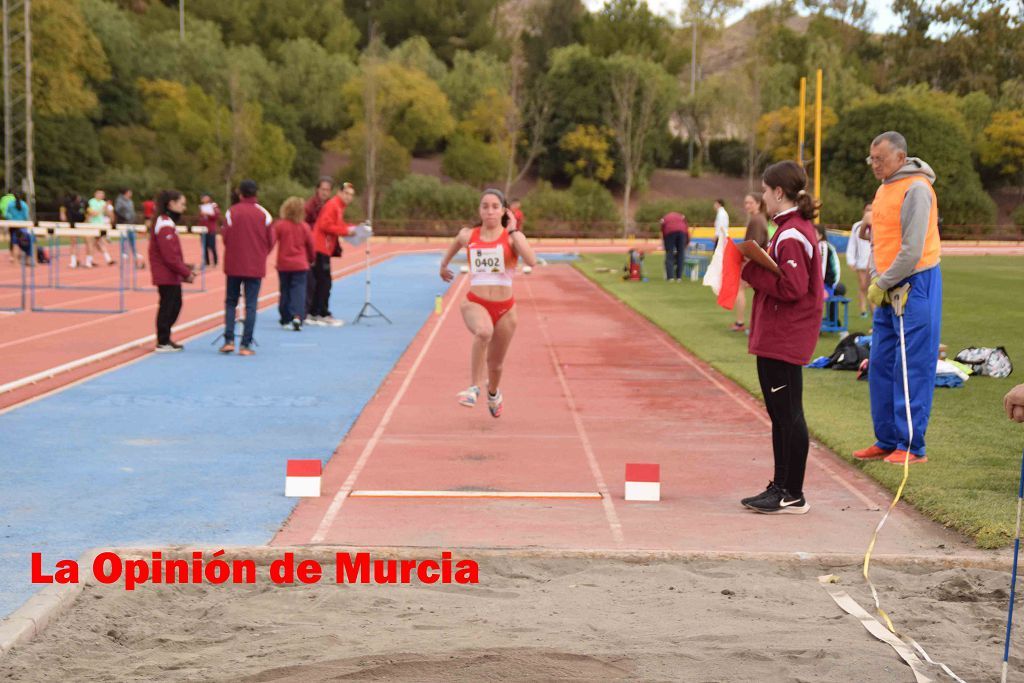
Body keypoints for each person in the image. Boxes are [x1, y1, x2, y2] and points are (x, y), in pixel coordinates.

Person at [738, 161, 823, 515]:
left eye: (764, 189)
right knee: (781, 413)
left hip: (785, 335)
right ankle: (782, 485)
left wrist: (753, 273)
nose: (762, 197)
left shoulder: (792, 234)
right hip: (780, 333)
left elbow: (793, 287)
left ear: (777, 192)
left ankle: (792, 492)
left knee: (788, 414)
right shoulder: (790, 229)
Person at [853, 131, 942, 466]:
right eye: (871, 159)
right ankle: (887, 438)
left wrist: (882, 282)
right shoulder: (884, 187)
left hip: (916, 283)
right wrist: (878, 278)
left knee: (912, 366)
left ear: (901, 158)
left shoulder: (917, 189)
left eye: (880, 159)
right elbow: (881, 239)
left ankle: (912, 445)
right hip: (888, 285)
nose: (874, 165)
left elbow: (912, 249)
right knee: (882, 365)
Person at [438, 188, 538, 418]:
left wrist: (513, 230)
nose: (490, 211)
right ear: (479, 210)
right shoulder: (468, 235)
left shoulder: (513, 238)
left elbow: (531, 261)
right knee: (483, 332)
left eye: (495, 206)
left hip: (505, 309)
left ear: (503, 211)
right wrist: (443, 266)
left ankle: (493, 393)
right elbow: (454, 246)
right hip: (476, 302)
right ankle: (473, 387)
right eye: (485, 206)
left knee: (496, 365)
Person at [219, 179, 274, 356]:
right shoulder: (264, 214)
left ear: (240, 193)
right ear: (256, 193)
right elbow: (271, 241)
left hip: (234, 265)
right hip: (255, 266)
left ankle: (228, 340)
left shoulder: (231, 212)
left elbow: (225, 236)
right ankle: (245, 344)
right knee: (251, 305)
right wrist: (259, 255)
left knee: (231, 302)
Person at [148, 190, 196, 352]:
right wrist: (185, 272)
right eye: (182, 204)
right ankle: (163, 340)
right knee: (169, 306)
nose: (184, 207)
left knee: (174, 304)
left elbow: (172, 254)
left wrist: (185, 267)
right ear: (171, 204)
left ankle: (165, 337)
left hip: (170, 273)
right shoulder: (165, 224)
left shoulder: (167, 222)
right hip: (165, 274)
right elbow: (169, 255)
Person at [309, 181, 356, 327]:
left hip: (324, 248)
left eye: (351, 195)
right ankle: (319, 313)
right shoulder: (333, 205)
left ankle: (316, 312)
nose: (348, 197)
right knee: (324, 282)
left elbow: (337, 225)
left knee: (322, 281)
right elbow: (325, 225)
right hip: (320, 247)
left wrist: (353, 228)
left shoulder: (338, 207)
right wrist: (346, 231)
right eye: (346, 194)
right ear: (340, 193)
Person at [273, 196, 315, 331]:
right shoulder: (304, 227)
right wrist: (311, 258)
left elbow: (272, 241)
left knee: (284, 290)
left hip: (284, 264)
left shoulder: (280, 225)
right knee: (299, 291)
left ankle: (285, 317)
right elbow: (311, 246)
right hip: (300, 264)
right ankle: (298, 315)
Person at [731, 194, 770, 332]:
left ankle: (742, 322)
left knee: (742, 289)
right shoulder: (759, 218)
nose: (747, 205)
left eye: (750, 203)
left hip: (755, 263)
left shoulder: (757, 220)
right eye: (745, 203)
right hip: (758, 263)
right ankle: (752, 324)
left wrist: (745, 263)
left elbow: (754, 245)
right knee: (757, 293)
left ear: (758, 203)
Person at [304, 177, 333, 318]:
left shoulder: (330, 206)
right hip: (314, 248)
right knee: (317, 280)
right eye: (323, 189)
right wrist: (317, 229)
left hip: (325, 247)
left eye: (328, 190)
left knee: (325, 281)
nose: (325, 192)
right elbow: (303, 224)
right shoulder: (310, 205)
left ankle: (322, 309)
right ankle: (314, 310)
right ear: (317, 189)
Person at [846, 204, 873, 317]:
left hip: (873, 260)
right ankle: (863, 309)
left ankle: (873, 310)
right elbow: (852, 243)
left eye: (871, 210)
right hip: (861, 261)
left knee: (872, 287)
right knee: (863, 285)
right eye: (867, 210)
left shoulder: (877, 224)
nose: (869, 212)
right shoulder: (857, 226)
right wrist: (851, 259)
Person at [114, 188, 145, 269]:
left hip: (131, 223)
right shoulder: (120, 201)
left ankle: (135, 257)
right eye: (130, 192)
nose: (131, 194)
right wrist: (125, 216)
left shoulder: (130, 201)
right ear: (126, 193)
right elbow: (118, 210)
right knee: (123, 240)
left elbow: (132, 211)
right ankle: (124, 257)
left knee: (132, 239)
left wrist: (134, 219)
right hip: (123, 223)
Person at [86, 189, 115, 266]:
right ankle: (89, 261)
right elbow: (93, 213)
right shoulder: (91, 202)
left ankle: (107, 259)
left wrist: (108, 209)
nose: (101, 196)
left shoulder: (103, 203)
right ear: (95, 194)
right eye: (100, 194)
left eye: (102, 195)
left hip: (101, 225)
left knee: (100, 242)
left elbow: (108, 214)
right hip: (92, 224)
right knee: (92, 243)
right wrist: (103, 208)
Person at [659, 211, 689, 281]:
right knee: (681, 254)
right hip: (682, 233)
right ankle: (679, 277)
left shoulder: (665, 218)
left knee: (669, 254)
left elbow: (663, 230)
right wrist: (687, 242)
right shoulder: (681, 217)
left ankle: (670, 277)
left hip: (669, 232)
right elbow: (686, 229)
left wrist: (665, 244)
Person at [61, 193, 87, 268]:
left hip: (82, 224)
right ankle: (73, 261)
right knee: (73, 242)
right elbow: (62, 209)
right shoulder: (68, 203)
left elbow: (87, 212)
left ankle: (83, 260)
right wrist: (62, 215)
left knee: (86, 242)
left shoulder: (83, 203)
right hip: (72, 224)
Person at [198, 194, 221, 268]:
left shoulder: (213, 206)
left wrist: (208, 214)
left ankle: (215, 262)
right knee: (204, 246)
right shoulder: (201, 207)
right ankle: (206, 262)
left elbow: (216, 216)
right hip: (203, 229)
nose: (203, 199)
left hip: (211, 230)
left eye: (205, 197)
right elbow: (201, 218)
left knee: (212, 246)